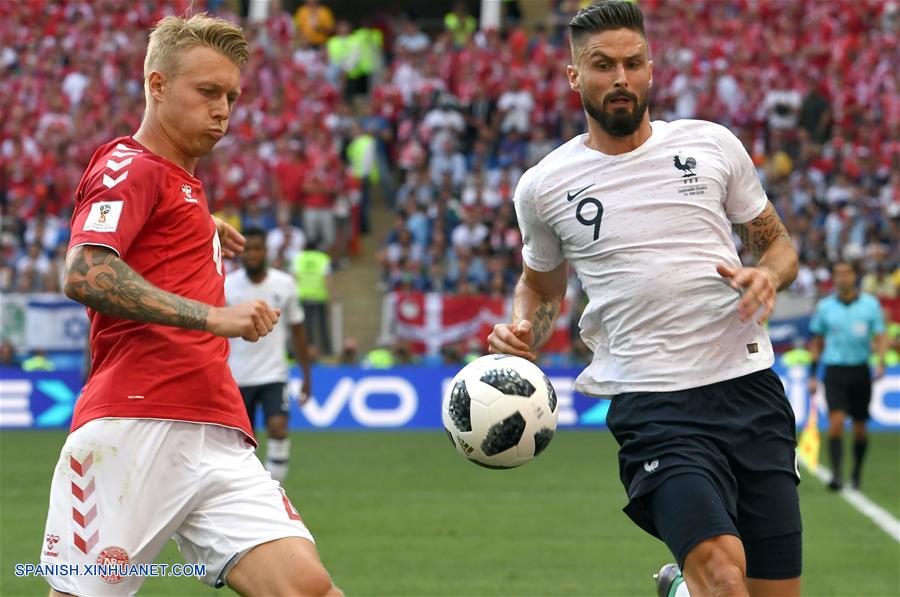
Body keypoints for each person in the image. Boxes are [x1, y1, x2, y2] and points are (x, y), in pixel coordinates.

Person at [487, 3, 801, 596]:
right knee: (723, 577)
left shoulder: (712, 146)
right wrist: (522, 329)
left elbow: (778, 244)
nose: (621, 78)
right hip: (654, 406)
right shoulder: (545, 185)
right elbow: (540, 286)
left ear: (651, 69)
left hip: (750, 390)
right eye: (603, 65)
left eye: (633, 63)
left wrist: (769, 276)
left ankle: (678, 591)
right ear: (576, 77)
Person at [41, 14, 340, 596]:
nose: (223, 108)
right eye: (207, 92)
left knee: (308, 588)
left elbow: (152, 228)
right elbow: (85, 271)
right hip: (137, 422)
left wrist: (199, 223)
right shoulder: (128, 164)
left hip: (218, 431)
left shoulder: (179, 186)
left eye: (230, 95)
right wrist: (212, 316)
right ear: (156, 85)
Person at [225, 227, 313, 483]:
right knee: (244, 444)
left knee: (278, 428)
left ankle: (276, 491)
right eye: (246, 249)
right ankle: (246, 495)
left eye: (256, 248)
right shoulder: (227, 285)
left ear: (266, 251)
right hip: (238, 376)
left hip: (274, 373)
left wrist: (307, 375)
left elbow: (298, 332)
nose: (251, 254)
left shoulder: (284, 284)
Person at [808, 260, 887, 491]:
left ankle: (856, 474)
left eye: (846, 273)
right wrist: (813, 375)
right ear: (834, 279)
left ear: (855, 276)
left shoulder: (870, 305)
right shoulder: (825, 308)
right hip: (835, 371)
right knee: (836, 423)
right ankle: (836, 475)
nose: (842, 278)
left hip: (860, 370)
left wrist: (881, 362)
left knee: (860, 427)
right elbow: (817, 341)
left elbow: (880, 335)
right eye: (838, 274)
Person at [294, 240, 333, 356]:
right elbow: (327, 277)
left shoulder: (299, 258)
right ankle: (326, 350)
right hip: (319, 296)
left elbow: (295, 277)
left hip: (303, 296)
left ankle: (307, 350)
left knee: (306, 326)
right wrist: (330, 293)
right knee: (323, 325)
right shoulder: (323, 258)